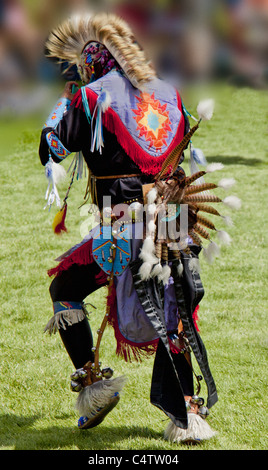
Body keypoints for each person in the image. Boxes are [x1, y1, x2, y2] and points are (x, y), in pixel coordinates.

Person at [39, 11, 219, 443]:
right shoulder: (169, 93)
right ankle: (188, 416)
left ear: (92, 64)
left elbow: (53, 148)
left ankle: (93, 386)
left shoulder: (91, 98)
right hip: (172, 217)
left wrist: (63, 105)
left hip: (125, 222)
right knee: (174, 309)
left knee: (65, 289)